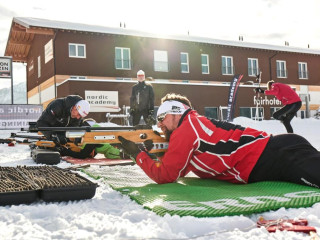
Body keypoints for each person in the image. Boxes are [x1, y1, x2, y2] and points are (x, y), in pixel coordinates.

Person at [118, 92, 320, 189]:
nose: (160, 125)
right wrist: (155, 151)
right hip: (275, 153)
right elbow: (181, 165)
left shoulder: (187, 129)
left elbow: (166, 175)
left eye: (161, 118)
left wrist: (138, 154)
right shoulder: (192, 125)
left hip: (277, 155)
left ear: (176, 112)